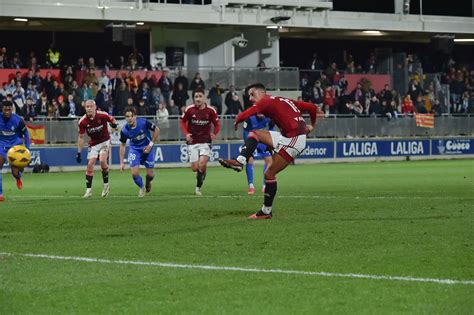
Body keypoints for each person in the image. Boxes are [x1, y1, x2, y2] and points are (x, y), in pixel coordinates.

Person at [219, 83, 316, 219]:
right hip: (286, 137)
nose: (251, 99)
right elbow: (312, 108)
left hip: (294, 140)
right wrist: (312, 125)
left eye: (252, 95)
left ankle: (266, 212)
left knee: (269, 174)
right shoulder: (282, 100)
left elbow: (246, 114)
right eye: (249, 97)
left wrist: (237, 120)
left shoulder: (265, 100)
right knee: (255, 133)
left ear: (261, 93)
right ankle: (240, 161)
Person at [180, 88, 220, 196]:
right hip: (193, 142)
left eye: (200, 96)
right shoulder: (189, 109)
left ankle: (198, 187)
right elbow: (183, 121)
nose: (198, 99)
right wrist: (186, 133)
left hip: (205, 142)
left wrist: (214, 134)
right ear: (193, 98)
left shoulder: (211, 110)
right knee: (195, 168)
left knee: (202, 164)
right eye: (196, 97)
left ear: (204, 97)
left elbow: (217, 124)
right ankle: (202, 173)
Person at [76, 99, 118, 198]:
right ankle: (89, 190)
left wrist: (114, 124)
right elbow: (81, 137)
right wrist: (78, 152)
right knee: (90, 164)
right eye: (87, 107)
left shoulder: (102, 115)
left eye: (91, 106)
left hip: (104, 141)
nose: (89, 108)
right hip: (93, 144)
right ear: (85, 108)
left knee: (103, 161)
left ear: (95, 107)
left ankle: (106, 185)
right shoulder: (82, 121)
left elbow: (112, 120)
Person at [119, 106, 160, 197]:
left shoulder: (143, 122)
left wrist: (150, 145)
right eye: (127, 116)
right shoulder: (124, 130)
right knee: (134, 173)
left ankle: (148, 181)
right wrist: (121, 162)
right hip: (135, 150)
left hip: (147, 148)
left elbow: (157, 129)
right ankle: (142, 187)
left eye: (131, 116)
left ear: (135, 116)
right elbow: (122, 145)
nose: (129, 118)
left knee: (150, 175)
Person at [0, 101, 31, 201]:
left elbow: (26, 134)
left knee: (15, 173)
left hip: (15, 148)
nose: (7, 112)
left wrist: (27, 149)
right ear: (2, 109)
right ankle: (0, 194)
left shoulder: (18, 120)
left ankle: (18, 178)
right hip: (2, 147)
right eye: (5, 110)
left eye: (9, 109)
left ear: (12, 109)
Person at [243, 114, 274, 195]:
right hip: (252, 141)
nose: (260, 113)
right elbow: (245, 132)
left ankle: (265, 185)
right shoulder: (250, 118)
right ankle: (251, 186)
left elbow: (272, 129)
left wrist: (271, 141)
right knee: (250, 160)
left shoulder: (269, 118)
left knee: (269, 161)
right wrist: (248, 144)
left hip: (263, 142)